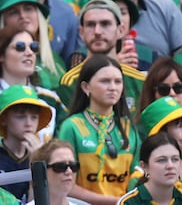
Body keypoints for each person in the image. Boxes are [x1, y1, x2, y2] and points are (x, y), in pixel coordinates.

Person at [57, 54, 139, 205]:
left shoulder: (128, 128)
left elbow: (138, 173)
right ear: (85, 87)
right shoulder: (72, 126)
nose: (113, 87)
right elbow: (66, 186)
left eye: (118, 82)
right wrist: (118, 202)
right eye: (105, 81)